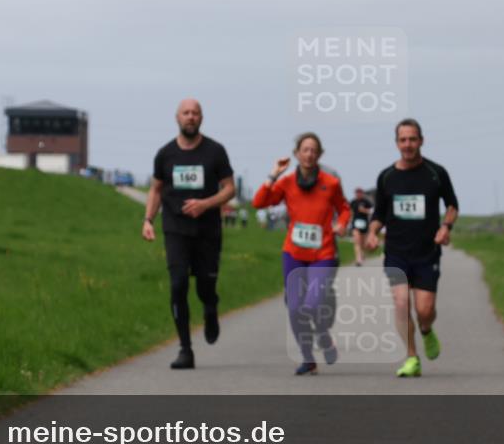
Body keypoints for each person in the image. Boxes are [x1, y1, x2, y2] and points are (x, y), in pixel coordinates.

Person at [142, 98, 235, 370]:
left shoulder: (215, 151)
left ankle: (210, 308)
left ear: (201, 118)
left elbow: (229, 188)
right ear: (177, 118)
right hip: (176, 229)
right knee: (178, 284)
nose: (190, 117)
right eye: (186, 113)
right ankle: (185, 349)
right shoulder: (165, 154)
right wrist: (148, 219)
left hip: (207, 231)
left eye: (195, 113)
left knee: (205, 287)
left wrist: (206, 204)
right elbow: (156, 189)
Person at [365, 119, 458, 378]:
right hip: (396, 252)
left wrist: (446, 227)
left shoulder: (436, 173)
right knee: (401, 302)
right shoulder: (387, 177)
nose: (408, 144)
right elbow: (379, 214)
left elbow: (452, 205)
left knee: (424, 311)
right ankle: (412, 357)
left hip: (427, 252)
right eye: (403, 140)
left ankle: (426, 331)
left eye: (412, 139)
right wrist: (372, 233)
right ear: (397, 143)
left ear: (421, 141)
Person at [253, 133, 351, 375]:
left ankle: (323, 335)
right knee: (295, 307)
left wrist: (342, 225)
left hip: (323, 254)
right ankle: (308, 359)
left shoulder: (331, 183)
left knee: (312, 303)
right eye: (304, 150)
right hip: (294, 254)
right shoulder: (286, 183)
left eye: (313, 150)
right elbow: (259, 202)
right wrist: (273, 174)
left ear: (319, 154)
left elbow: (344, 208)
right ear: (297, 153)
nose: (309, 154)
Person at [349, 187, 374, 266]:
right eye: (357, 192)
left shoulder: (366, 202)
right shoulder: (353, 202)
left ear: (362, 193)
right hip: (355, 224)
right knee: (356, 241)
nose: (358, 194)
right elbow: (350, 211)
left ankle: (362, 254)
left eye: (359, 192)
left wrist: (364, 210)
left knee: (362, 242)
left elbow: (371, 211)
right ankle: (358, 259)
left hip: (364, 223)